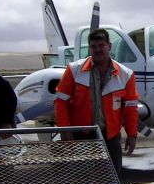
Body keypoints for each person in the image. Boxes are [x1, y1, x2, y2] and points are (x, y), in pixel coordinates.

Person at [55, 28, 139, 173]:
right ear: (89, 48)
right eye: (94, 46)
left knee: (111, 179)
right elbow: (60, 101)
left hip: (110, 137)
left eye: (101, 45)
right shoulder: (74, 70)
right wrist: (65, 129)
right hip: (82, 135)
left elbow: (131, 107)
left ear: (109, 46)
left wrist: (132, 135)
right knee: (82, 179)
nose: (98, 50)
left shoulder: (126, 75)